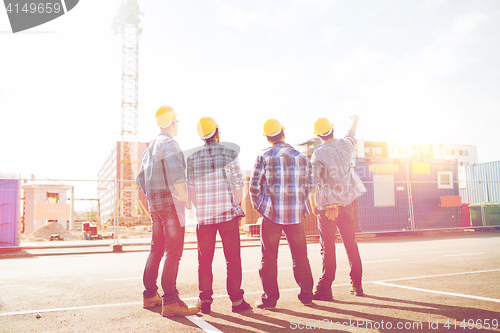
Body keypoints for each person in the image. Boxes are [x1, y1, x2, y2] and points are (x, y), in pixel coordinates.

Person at [137, 105, 199, 317]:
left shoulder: (150, 148)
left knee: (156, 249)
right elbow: (176, 174)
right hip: (171, 206)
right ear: (173, 122)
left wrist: (152, 200)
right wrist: (184, 197)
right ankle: (171, 301)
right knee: (173, 252)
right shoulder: (169, 143)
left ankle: (150, 295)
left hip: (156, 207)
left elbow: (140, 179)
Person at [186, 117, 252, 314]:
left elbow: (191, 189)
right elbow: (238, 185)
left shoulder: (192, 158)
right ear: (216, 132)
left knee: (204, 261)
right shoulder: (229, 153)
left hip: (205, 219)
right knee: (232, 259)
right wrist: (235, 205)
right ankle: (237, 301)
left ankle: (205, 300)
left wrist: (202, 208)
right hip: (227, 216)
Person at [249, 119, 314, 309]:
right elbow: (309, 184)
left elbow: (254, 187)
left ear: (267, 138)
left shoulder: (264, 155)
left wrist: (261, 207)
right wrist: (298, 203)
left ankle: (269, 300)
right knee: (300, 256)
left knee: (268, 258)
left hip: (271, 215)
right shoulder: (301, 157)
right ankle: (307, 296)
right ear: (283, 132)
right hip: (294, 216)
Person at [309, 115, 367, 300]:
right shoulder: (346, 145)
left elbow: (313, 182)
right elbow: (351, 132)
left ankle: (325, 288)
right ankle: (357, 285)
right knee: (350, 244)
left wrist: (313, 205)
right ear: (332, 129)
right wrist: (355, 120)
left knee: (327, 247)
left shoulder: (318, 154)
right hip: (346, 205)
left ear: (318, 135)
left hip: (327, 208)